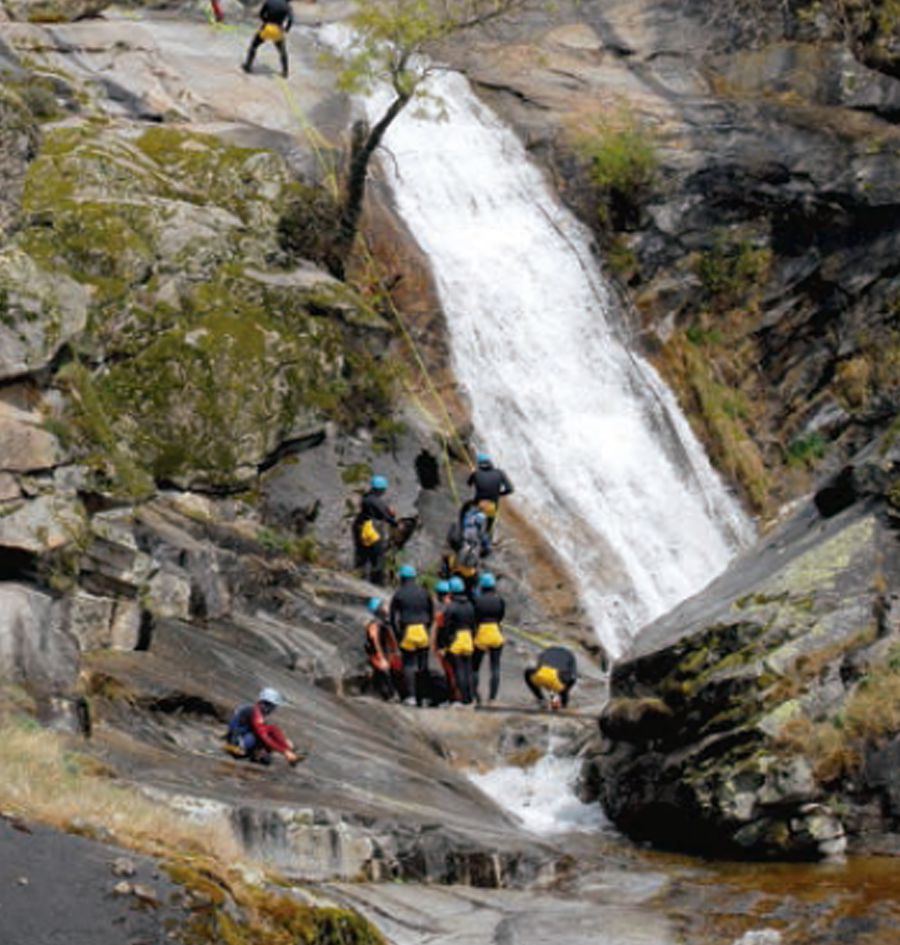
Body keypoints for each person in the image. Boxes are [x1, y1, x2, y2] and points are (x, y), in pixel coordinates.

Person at [389, 564, 433, 706]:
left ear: (402, 578)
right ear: (414, 577)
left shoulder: (399, 594)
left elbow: (392, 617)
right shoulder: (424, 592)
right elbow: (431, 612)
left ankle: (411, 697)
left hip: (408, 629)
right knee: (423, 665)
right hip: (423, 629)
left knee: (408, 665)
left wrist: (398, 635)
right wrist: (428, 628)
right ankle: (425, 697)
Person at [224, 687, 302, 765]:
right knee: (265, 756)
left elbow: (272, 731)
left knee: (271, 730)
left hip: (241, 737)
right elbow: (264, 737)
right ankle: (249, 752)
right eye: (273, 707)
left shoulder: (255, 710)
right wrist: (284, 751)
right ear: (265, 704)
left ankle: (287, 750)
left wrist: (285, 745)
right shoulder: (253, 712)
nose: (273, 710)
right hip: (237, 743)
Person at [437, 576, 476, 706]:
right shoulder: (470, 606)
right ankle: (470, 698)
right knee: (468, 670)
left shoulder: (451, 607)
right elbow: (473, 625)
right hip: (468, 638)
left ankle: (461, 699)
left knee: (458, 670)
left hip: (456, 639)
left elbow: (445, 628)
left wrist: (443, 645)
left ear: (451, 591)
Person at [353, 475, 398, 586]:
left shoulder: (366, 498)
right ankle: (376, 581)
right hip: (373, 528)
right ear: (381, 489)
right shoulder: (377, 502)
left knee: (363, 553)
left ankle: (361, 576)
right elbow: (386, 516)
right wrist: (394, 520)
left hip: (362, 527)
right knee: (377, 555)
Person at [472, 572, 505, 704]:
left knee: (475, 667)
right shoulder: (500, 600)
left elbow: (474, 618)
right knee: (495, 667)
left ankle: (476, 696)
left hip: (481, 633)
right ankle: (492, 698)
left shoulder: (476, 601)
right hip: (496, 632)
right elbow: (501, 617)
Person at [242, 0, 294, 78]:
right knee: (282, 51)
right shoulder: (287, 6)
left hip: (267, 28)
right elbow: (291, 19)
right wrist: (286, 29)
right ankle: (285, 72)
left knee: (254, 46)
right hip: (278, 30)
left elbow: (261, 14)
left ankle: (248, 66)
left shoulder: (269, 2)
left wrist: (265, 21)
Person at [467, 453, 513, 538]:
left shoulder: (476, 473)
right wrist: (499, 493)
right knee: (489, 523)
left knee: (474, 516)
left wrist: (473, 474)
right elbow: (510, 489)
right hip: (492, 503)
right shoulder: (500, 473)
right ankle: (487, 536)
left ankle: (474, 533)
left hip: (479, 502)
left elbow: (469, 484)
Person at [364, 597, 401, 702]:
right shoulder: (374, 625)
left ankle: (389, 692)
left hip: (384, 651)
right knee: (384, 671)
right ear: (379, 609)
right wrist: (381, 656)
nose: (386, 608)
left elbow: (390, 638)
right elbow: (374, 640)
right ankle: (390, 694)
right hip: (376, 653)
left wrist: (394, 650)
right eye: (384, 606)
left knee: (389, 671)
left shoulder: (384, 623)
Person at [431, 579, 460, 704]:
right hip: (458, 642)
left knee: (450, 671)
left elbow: (438, 629)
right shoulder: (455, 606)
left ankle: (454, 697)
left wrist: (437, 645)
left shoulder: (441, 609)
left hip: (446, 644)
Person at [524, 646, 577, 710]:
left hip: (538, 676)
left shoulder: (548, 651)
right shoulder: (571, 657)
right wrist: (565, 692)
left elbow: (539, 663)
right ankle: (562, 706)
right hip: (556, 679)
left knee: (529, 673)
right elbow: (572, 678)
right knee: (561, 689)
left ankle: (541, 699)